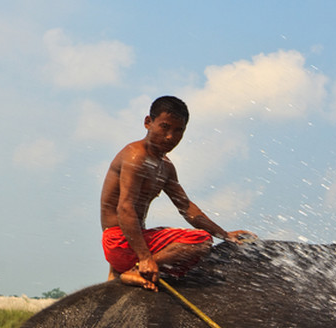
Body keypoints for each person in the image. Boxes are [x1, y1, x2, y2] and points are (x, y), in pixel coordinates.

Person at [100, 95, 255, 290]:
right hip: (120, 241)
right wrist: (145, 258)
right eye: (164, 127)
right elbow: (125, 208)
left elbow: (187, 208)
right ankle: (133, 271)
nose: (170, 137)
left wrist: (224, 234)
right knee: (201, 242)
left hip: (134, 239)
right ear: (148, 122)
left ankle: (124, 270)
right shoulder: (136, 156)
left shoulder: (165, 166)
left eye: (178, 131)